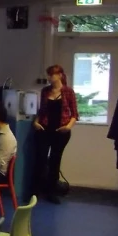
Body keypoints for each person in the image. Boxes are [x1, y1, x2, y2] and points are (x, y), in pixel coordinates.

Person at [33, 64, 78, 203]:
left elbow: (75, 114)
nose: (49, 77)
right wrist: (36, 122)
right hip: (45, 129)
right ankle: (36, 190)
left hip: (61, 131)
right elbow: (41, 110)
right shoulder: (45, 91)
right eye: (48, 74)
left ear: (59, 75)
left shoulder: (68, 92)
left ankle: (51, 192)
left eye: (52, 74)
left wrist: (68, 127)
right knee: (40, 158)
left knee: (55, 160)